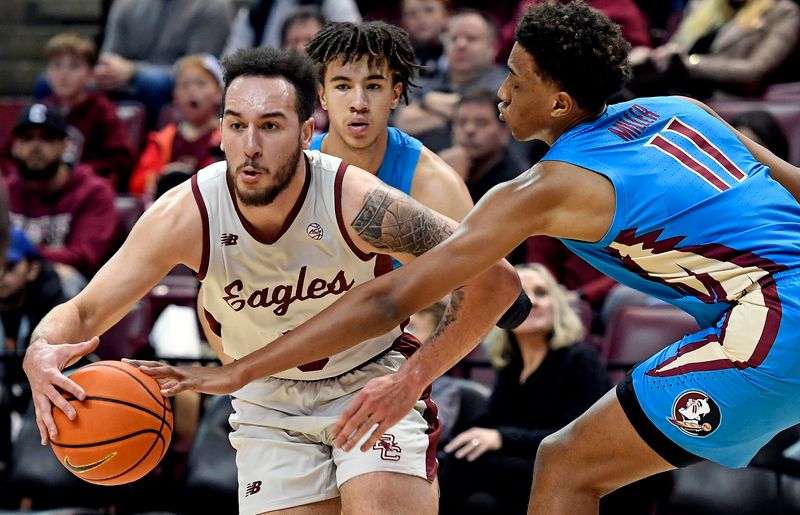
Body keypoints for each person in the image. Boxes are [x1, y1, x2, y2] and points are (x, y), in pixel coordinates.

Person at [127, 2, 800, 513]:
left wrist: (247, 371)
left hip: (773, 326)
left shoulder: (544, 187)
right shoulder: (681, 111)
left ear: (560, 102)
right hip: (773, 311)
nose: (499, 93)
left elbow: (391, 298)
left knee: (566, 466)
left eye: (515, 78)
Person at [22, 47, 521, 514]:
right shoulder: (187, 212)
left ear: (307, 132)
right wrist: (41, 346)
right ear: (219, 130)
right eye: (237, 125)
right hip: (267, 402)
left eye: (271, 125)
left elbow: (495, 279)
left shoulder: (358, 201)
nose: (251, 146)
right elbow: (85, 311)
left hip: (369, 379)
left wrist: (411, 379)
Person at [439, 264, 607, 514]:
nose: (534, 302)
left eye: (541, 293)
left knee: (469, 466)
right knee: (479, 503)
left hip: (569, 471)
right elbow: (488, 419)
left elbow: (579, 437)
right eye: (522, 295)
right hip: (524, 469)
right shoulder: (512, 366)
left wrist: (501, 438)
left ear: (557, 305)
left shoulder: (581, 360)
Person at [306, 21, 473, 223]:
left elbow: (480, 255)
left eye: (374, 86)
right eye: (343, 86)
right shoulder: (295, 170)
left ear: (395, 95)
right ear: (323, 96)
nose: (359, 104)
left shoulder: (434, 183)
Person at [6, 104, 118, 298]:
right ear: (15, 146)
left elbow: (84, 256)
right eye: (27, 139)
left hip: (76, 292)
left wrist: (25, 253)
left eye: (46, 138)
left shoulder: (94, 191)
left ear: (65, 146)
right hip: (11, 278)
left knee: (63, 278)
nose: (35, 147)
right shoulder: (5, 191)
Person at [42, 33, 136, 191]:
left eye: (73, 66)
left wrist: (75, 173)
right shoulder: (42, 110)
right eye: (56, 65)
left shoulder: (101, 109)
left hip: (86, 191)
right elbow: (11, 154)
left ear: (90, 75)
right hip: (42, 189)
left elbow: (122, 158)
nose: (63, 74)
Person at [128, 54, 224, 198]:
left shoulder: (225, 139)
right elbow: (137, 184)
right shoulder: (162, 139)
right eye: (184, 85)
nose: (192, 91)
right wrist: (161, 177)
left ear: (219, 93)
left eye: (201, 84)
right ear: (174, 96)